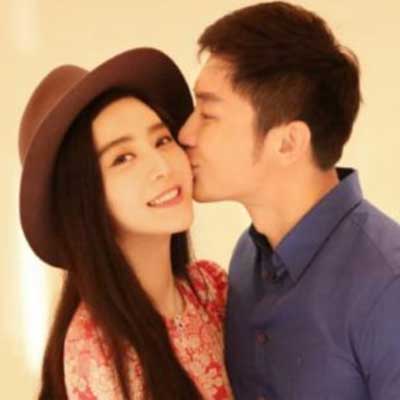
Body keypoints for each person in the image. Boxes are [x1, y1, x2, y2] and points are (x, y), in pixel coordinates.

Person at [178, 2, 400, 399]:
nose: (185, 134)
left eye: (208, 114)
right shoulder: (246, 258)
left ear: (288, 143)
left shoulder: (387, 287)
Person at [18, 48, 232, 400]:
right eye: (123, 158)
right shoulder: (97, 347)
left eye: (162, 140)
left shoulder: (211, 289)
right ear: (85, 199)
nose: (162, 166)